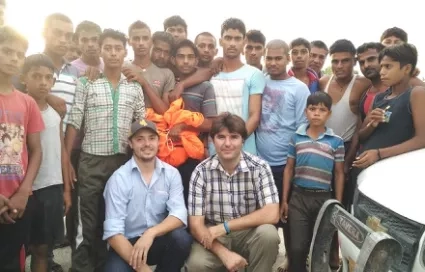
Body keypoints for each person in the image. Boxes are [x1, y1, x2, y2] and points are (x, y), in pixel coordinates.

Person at [66, 29, 145, 272]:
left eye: (117, 48)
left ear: (125, 51)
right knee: (86, 225)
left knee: (110, 222)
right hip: (90, 162)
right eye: (108, 48)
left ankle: (102, 267)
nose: (113, 53)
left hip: (122, 163)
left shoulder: (134, 88)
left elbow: (141, 125)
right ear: (100, 50)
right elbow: (75, 122)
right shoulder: (87, 82)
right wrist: (67, 160)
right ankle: (79, 268)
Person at [185, 113, 280, 272]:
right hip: (214, 236)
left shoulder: (259, 167)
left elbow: (272, 213)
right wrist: (224, 254)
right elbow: (196, 225)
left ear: (243, 140)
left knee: (269, 235)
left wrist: (225, 227)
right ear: (212, 140)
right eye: (221, 137)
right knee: (196, 264)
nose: (227, 143)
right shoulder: (201, 172)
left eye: (234, 137)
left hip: (247, 233)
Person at [103, 119, 192, 272]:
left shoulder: (171, 174)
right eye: (140, 139)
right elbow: (113, 233)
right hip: (127, 243)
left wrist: (151, 233)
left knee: (181, 239)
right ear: (131, 144)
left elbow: (179, 214)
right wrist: (143, 269)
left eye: (151, 138)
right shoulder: (118, 179)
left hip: (157, 239)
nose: (147, 144)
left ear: (159, 142)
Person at [281, 92, 345, 272]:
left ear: (329, 114)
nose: (317, 113)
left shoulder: (336, 142)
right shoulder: (296, 138)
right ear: (306, 112)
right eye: (312, 109)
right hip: (299, 198)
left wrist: (337, 203)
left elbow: (339, 173)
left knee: (320, 248)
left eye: (322, 110)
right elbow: (288, 168)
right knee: (298, 248)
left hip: (324, 199)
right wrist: (285, 200)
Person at [0, 26, 44, 272]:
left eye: (19, 54)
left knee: (11, 263)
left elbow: (36, 150)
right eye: (7, 51)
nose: (14, 58)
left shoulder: (27, 103)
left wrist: (24, 192)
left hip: (18, 202)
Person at [23, 53, 72, 272]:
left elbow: (61, 148)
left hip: (51, 187)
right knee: (17, 247)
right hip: (24, 188)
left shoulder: (55, 112)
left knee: (43, 249)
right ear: (25, 78)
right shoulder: (19, 107)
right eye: (37, 76)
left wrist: (66, 190)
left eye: (48, 77)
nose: (43, 82)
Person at [354, 43, 425, 169]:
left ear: (407, 69)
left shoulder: (417, 93)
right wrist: (371, 125)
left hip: (392, 171)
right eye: (381, 66)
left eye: (388, 66)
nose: (382, 72)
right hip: (365, 172)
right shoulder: (379, 98)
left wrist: (379, 154)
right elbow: (361, 136)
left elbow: (422, 140)